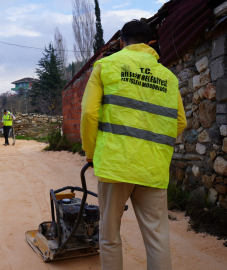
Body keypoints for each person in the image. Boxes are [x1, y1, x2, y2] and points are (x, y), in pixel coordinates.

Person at [80, 20, 187, 270]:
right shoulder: (168, 77)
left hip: (115, 165)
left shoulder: (106, 66)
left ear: (120, 42)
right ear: (150, 43)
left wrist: (90, 152)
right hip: (153, 168)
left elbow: (88, 114)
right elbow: (180, 121)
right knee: (157, 237)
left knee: (109, 235)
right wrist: (157, 147)